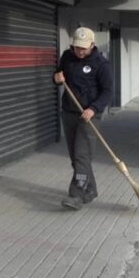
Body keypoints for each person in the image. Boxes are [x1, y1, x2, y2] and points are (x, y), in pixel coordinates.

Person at [53, 27, 114, 210]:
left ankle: (76, 195)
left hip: (89, 116)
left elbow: (108, 92)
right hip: (69, 112)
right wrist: (56, 78)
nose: (80, 51)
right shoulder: (67, 57)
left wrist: (93, 109)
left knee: (81, 155)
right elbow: (58, 75)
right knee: (77, 157)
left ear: (92, 45)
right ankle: (91, 190)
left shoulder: (101, 64)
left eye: (84, 48)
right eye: (77, 47)